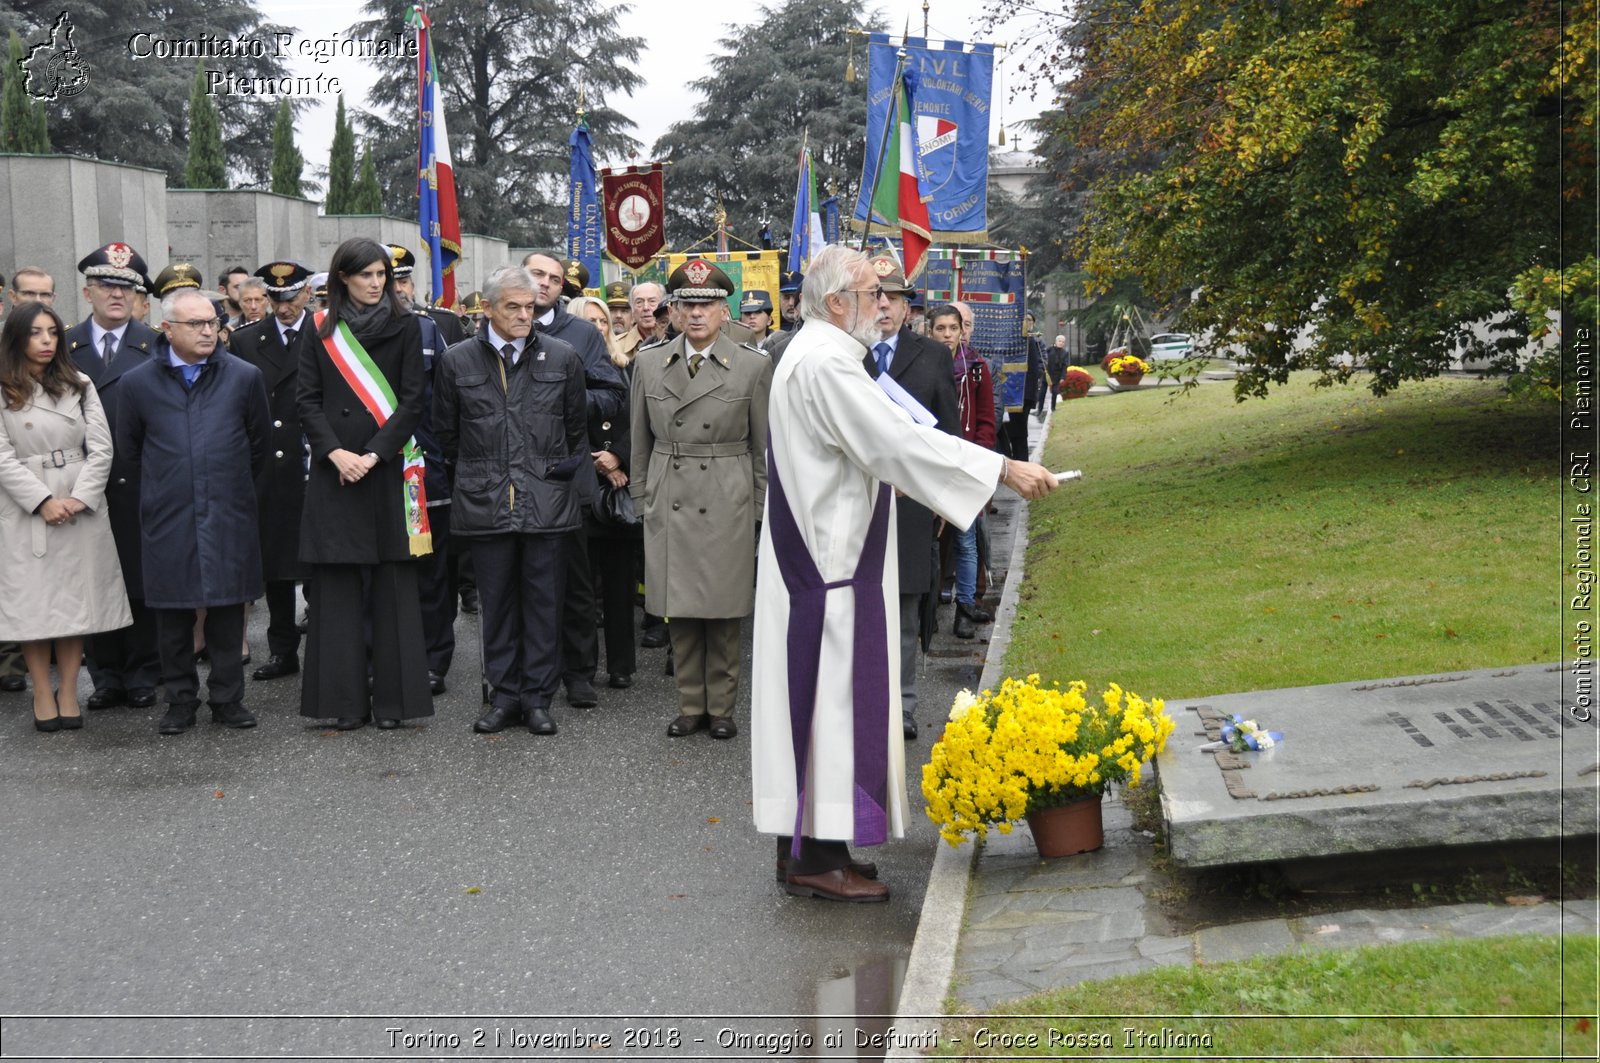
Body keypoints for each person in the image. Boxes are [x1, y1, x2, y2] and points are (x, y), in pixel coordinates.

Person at [751, 245, 1057, 902]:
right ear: (837, 303)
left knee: (821, 703)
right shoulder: (826, 364)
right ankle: (816, 858)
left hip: (828, 556)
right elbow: (896, 442)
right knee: (829, 702)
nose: (884, 305)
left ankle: (808, 846)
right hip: (828, 565)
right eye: (871, 293)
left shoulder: (817, 353)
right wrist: (1002, 468)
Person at [434, 266, 587, 735]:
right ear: (487, 309)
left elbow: (575, 432)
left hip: (546, 502)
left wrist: (547, 477)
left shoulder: (562, 357)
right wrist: (485, 475)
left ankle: (538, 697)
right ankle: (503, 695)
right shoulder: (458, 361)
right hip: (485, 500)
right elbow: (447, 435)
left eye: (532, 307)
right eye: (514, 307)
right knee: (496, 604)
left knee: (543, 604)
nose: (526, 315)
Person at [116, 288, 270, 735]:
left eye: (213, 322)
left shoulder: (243, 377)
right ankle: (180, 701)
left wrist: (227, 487)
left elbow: (258, 445)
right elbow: (130, 452)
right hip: (168, 515)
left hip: (228, 511)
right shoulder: (138, 383)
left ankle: (227, 698)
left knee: (226, 609)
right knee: (173, 616)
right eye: (196, 324)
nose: (209, 331)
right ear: (167, 328)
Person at [630, 259, 771, 740]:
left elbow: (761, 446)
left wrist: (758, 507)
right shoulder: (649, 363)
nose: (695, 315)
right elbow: (638, 441)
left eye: (706, 306)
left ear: (723, 310)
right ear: (671, 310)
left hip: (726, 493)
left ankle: (723, 708)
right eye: (686, 305)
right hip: (670, 490)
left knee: (724, 610)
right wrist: (641, 497)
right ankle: (691, 705)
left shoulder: (753, 365)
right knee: (680, 608)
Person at [297, 237, 432, 731]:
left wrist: (374, 453)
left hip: (387, 468)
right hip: (338, 474)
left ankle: (395, 703)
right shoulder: (318, 329)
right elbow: (306, 399)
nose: (377, 284)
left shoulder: (407, 326)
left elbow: (414, 401)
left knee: (392, 589)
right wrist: (335, 453)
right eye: (367, 275)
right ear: (343, 279)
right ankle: (344, 701)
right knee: (336, 590)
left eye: (383, 275)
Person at [0, 302, 132, 730]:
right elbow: (1, 456)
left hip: (79, 502)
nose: (45, 341)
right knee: (36, 606)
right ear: (16, 339)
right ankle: (42, 690)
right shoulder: (3, 387)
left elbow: (103, 447)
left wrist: (81, 496)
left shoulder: (79, 383)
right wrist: (41, 500)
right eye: (35, 333)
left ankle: (70, 689)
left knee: (78, 603)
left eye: (52, 332)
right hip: (26, 505)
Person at [520, 250, 627, 710]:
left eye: (554, 278)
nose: (544, 283)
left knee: (576, 581)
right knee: (519, 581)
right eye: (536, 274)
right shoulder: (491, 331)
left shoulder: (581, 333)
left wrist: (563, 399)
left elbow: (614, 395)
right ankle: (524, 675)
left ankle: (579, 672)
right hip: (511, 476)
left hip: (566, 474)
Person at [861, 256, 959, 741]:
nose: (883, 306)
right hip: (855, 500)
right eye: (876, 296)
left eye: (893, 298)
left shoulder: (933, 355)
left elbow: (949, 433)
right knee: (857, 608)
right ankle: (862, 702)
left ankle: (901, 705)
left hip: (911, 503)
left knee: (902, 610)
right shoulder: (846, 353)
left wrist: (944, 497)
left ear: (907, 307)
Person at [65, 242, 162, 711]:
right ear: (88, 292)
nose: (116, 294)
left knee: (139, 580)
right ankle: (104, 676)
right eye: (106, 285)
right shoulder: (64, 346)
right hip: (80, 484)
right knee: (93, 578)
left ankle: (144, 672)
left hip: (140, 479)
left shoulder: (157, 344)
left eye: (126, 286)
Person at [228, 261, 316, 683]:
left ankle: (326, 645)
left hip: (313, 461)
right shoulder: (246, 341)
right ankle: (283, 650)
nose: (283, 307)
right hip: (269, 466)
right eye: (275, 298)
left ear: (307, 294)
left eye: (291, 297)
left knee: (321, 562)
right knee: (277, 566)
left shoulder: (328, 334)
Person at [569, 294, 638, 688]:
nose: (597, 327)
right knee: (580, 585)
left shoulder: (629, 367)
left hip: (618, 485)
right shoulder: (563, 366)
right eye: (589, 321)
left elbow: (642, 419)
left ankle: (622, 665)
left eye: (603, 321)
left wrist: (618, 459)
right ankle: (582, 666)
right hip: (580, 482)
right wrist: (592, 459)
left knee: (619, 582)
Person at [0, 266, 58, 695]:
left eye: (46, 293)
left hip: (19, 482)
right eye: (29, 293)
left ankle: (11, 662)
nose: (39, 299)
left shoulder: (52, 348)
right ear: (11, 298)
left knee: (23, 583)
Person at [930, 304, 996, 640]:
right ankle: (926, 609)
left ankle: (965, 608)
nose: (946, 335)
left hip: (967, 463)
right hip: (931, 463)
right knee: (930, 540)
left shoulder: (976, 368)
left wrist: (977, 457)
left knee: (967, 543)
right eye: (939, 328)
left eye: (952, 328)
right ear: (931, 331)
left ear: (962, 331)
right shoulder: (925, 365)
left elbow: (986, 418)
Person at [1046, 334, 1069, 411]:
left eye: (1063, 342)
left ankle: (1053, 407)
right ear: (1056, 341)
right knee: (1042, 391)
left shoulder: (1065, 353)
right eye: (1060, 341)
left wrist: (1063, 377)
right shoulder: (1050, 350)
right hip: (1048, 374)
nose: (1061, 343)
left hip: (1057, 375)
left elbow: (1064, 366)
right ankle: (1040, 408)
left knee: (1055, 392)